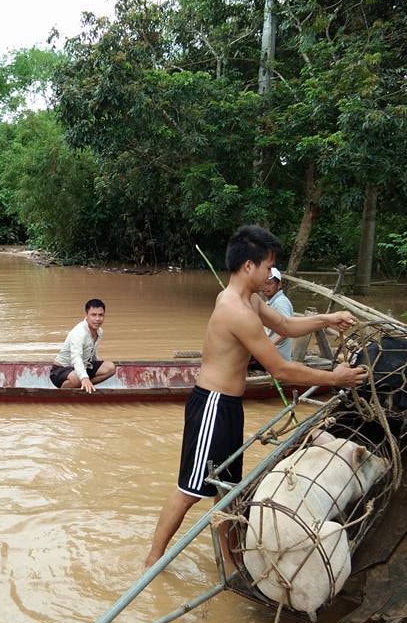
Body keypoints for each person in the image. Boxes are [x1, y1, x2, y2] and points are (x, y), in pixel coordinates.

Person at [143, 225, 368, 569]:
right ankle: (152, 561)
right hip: (212, 407)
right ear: (249, 266)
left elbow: (286, 326)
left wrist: (326, 318)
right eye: (267, 266)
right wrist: (334, 378)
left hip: (230, 406)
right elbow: (280, 369)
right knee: (190, 490)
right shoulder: (236, 310)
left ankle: (231, 564)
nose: (269, 274)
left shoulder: (250, 301)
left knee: (228, 492)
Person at [50, 299, 117, 393]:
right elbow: (76, 357)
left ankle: (84, 386)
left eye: (100, 315)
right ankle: (66, 390)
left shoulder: (99, 331)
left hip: (84, 366)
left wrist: (95, 369)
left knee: (110, 367)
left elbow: (92, 354)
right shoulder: (79, 332)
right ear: (86, 315)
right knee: (78, 377)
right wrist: (84, 378)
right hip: (60, 371)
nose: (97, 319)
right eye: (93, 315)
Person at [261, 267, 294, 361]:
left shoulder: (280, 303)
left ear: (279, 285)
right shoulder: (272, 301)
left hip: (278, 356)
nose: (265, 287)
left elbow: (287, 329)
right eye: (263, 283)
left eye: (269, 284)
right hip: (274, 354)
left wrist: (269, 345)